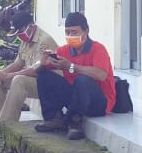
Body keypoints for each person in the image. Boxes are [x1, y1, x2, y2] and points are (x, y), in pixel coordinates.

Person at [33, 12, 115, 141]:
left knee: (81, 79)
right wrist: (42, 64)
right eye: (67, 32)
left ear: (86, 31)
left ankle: (75, 123)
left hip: (99, 102)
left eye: (75, 32)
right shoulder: (63, 50)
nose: (71, 36)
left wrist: (71, 67)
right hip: (76, 98)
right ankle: (54, 118)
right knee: (44, 76)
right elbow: (36, 71)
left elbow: (101, 75)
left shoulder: (98, 49)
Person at [0, 9, 59, 136]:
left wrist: (7, 75)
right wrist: (0, 73)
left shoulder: (44, 41)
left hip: (49, 85)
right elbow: (18, 63)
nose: (19, 34)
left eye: (21, 31)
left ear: (31, 26)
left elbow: (36, 70)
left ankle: (5, 127)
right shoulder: (25, 41)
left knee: (19, 80)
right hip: (35, 81)